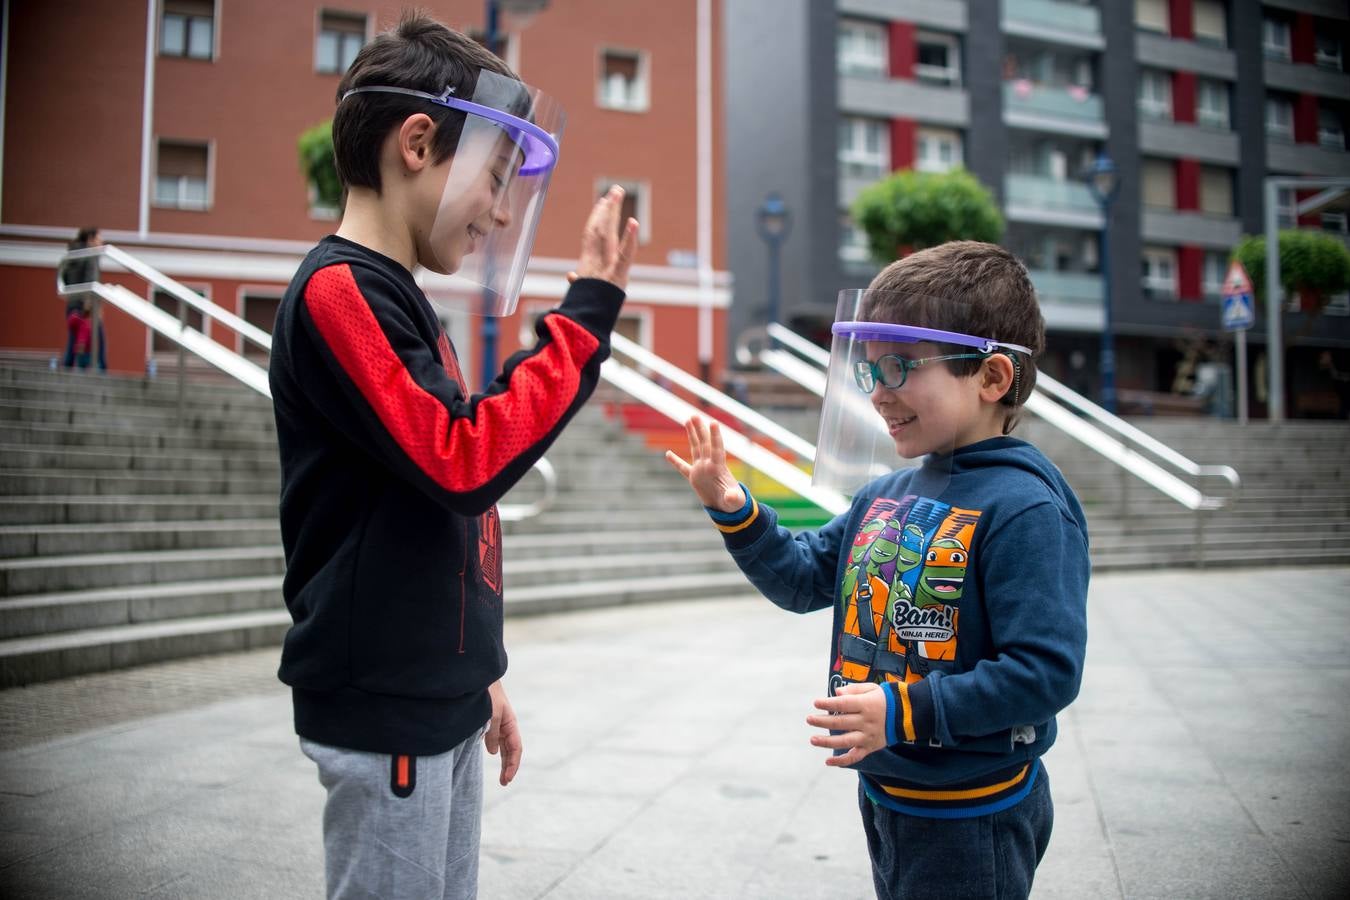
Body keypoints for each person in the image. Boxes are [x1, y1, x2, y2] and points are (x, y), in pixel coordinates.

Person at [267, 14, 637, 899]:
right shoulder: (339, 294)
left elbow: (443, 509)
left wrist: (480, 676)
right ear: (419, 144)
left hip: (432, 698)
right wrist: (582, 321)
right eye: (497, 178)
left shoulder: (398, 300)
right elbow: (463, 458)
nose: (503, 211)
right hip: (387, 705)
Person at [666, 241, 1089, 900]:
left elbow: (1045, 671)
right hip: (891, 795)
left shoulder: (1026, 507)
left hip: (974, 812)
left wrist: (903, 708)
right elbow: (806, 579)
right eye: (869, 373)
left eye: (900, 367)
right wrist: (737, 511)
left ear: (992, 378)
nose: (880, 394)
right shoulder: (887, 495)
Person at [58, 226, 105, 370]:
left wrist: (71, 294)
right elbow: (91, 280)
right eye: (98, 238)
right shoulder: (90, 255)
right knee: (99, 339)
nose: (101, 242)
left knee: (74, 339)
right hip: (86, 305)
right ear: (90, 239)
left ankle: (67, 366)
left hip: (72, 304)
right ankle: (101, 369)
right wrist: (89, 303)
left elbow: (63, 275)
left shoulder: (72, 254)